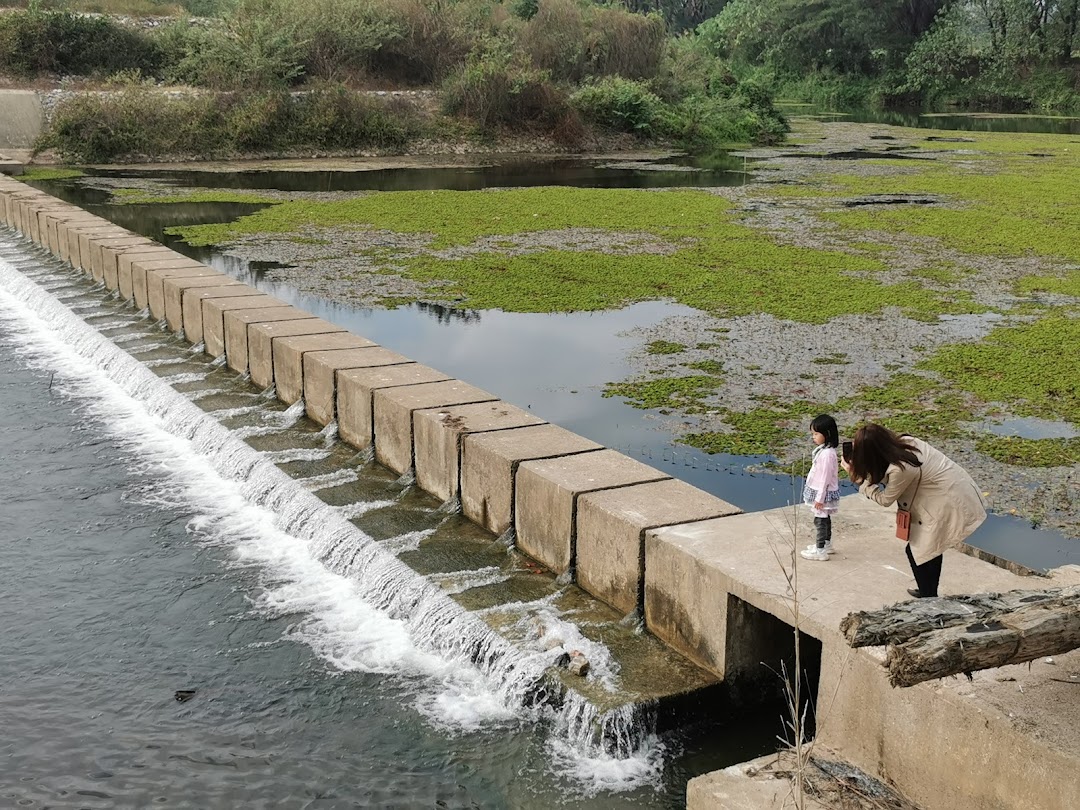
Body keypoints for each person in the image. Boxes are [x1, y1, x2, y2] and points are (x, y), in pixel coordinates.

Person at [840, 423, 986, 598]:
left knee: (920, 550)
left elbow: (886, 499)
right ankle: (928, 592)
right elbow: (880, 470)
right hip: (943, 492)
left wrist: (859, 480)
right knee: (931, 548)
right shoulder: (905, 443)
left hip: (950, 500)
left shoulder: (901, 468)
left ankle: (928, 597)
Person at [800, 414, 841, 561]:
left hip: (823, 493)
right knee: (825, 518)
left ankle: (820, 549)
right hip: (821, 491)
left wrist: (819, 498)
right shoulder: (824, 451)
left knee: (820, 520)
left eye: (816, 434)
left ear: (827, 434)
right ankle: (826, 544)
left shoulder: (827, 455)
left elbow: (825, 478)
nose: (813, 437)